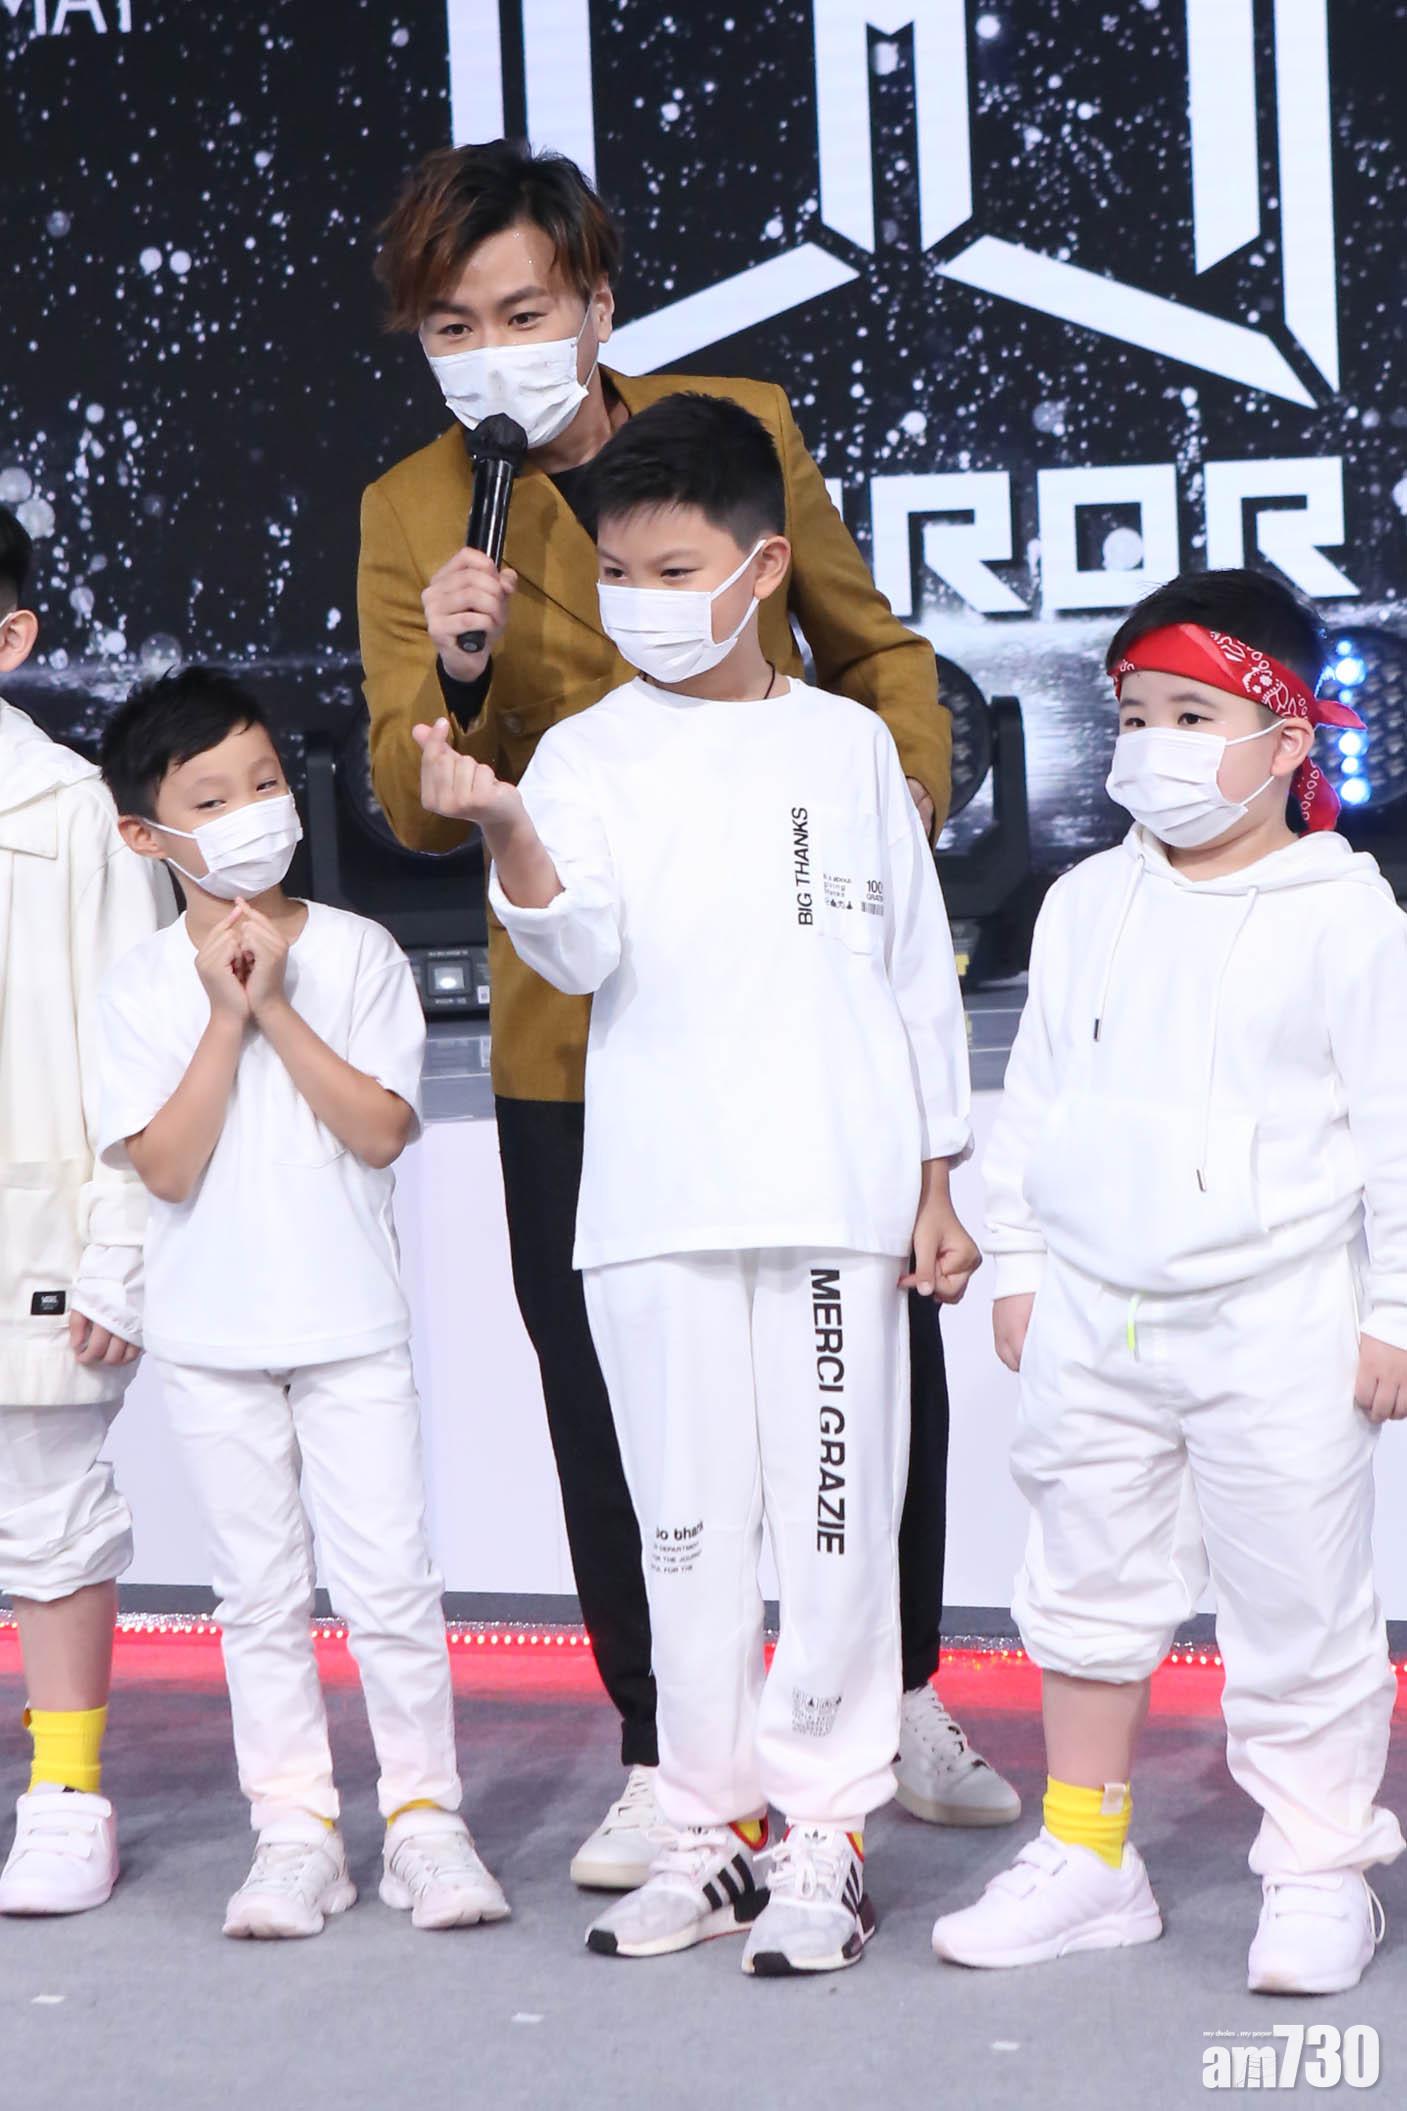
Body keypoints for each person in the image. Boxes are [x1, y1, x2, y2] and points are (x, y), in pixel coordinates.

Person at [360, 139, 1018, 1884]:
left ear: (593, 299)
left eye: (520, 311)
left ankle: (894, 1691)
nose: (489, 349)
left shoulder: (740, 429)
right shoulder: (415, 512)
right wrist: (461, 670)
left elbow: (871, 650)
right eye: (450, 326)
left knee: (860, 1371)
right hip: (584, 1026)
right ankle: (666, 1747)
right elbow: (412, 799)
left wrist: (888, 807)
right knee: (609, 1402)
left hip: (794, 1010)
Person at [931, 569, 1407, 1995]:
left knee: (1298, 1605)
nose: (1152, 745)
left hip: (1279, 1317)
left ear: (1285, 737)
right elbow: (1038, 1090)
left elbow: (1395, 1125)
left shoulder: (1347, 919)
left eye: (1192, 715)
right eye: (1135, 713)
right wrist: (1020, 1255)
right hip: (1095, 1312)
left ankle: (1316, 1868)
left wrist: (1394, 1307)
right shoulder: (1086, 900)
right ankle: (1089, 1857)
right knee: (1083, 1586)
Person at [94, 668, 509, 1939]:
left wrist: (273, 1002)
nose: (252, 811)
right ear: (146, 835)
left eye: (265, 781)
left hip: (350, 1326)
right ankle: (295, 1831)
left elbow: (381, 1128)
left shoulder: (359, 951)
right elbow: (166, 1166)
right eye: (211, 797)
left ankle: (425, 1820)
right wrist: (224, 1017)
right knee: (258, 1598)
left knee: (390, 1584)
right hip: (210, 1339)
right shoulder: (138, 985)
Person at [0, 506, 172, 1915]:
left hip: (33, 1229)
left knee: (47, 1504)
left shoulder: (73, 815)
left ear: (12, 637)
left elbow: (135, 1050)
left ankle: (65, 1792)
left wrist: (123, 1248)